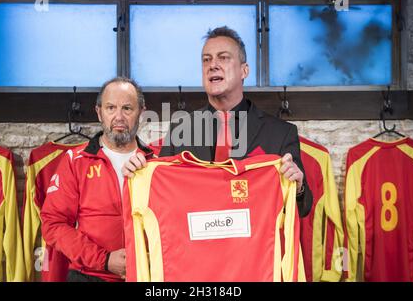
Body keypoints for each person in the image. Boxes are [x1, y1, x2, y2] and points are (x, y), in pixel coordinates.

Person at [122, 26, 312, 217]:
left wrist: (299, 187)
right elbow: (160, 195)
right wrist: (140, 172)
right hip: (196, 245)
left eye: (223, 57)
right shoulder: (181, 129)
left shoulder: (280, 133)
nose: (212, 65)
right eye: (207, 60)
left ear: (244, 71)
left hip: (255, 245)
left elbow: (302, 209)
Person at [41, 77, 154, 282]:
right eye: (111, 108)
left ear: (141, 112)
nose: (118, 117)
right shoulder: (75, 161)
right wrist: (105, 260)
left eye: (127, 108)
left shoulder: (156, 162)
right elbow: (53, 224)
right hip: (91, 275)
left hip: (150, 275)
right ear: (99, 112)